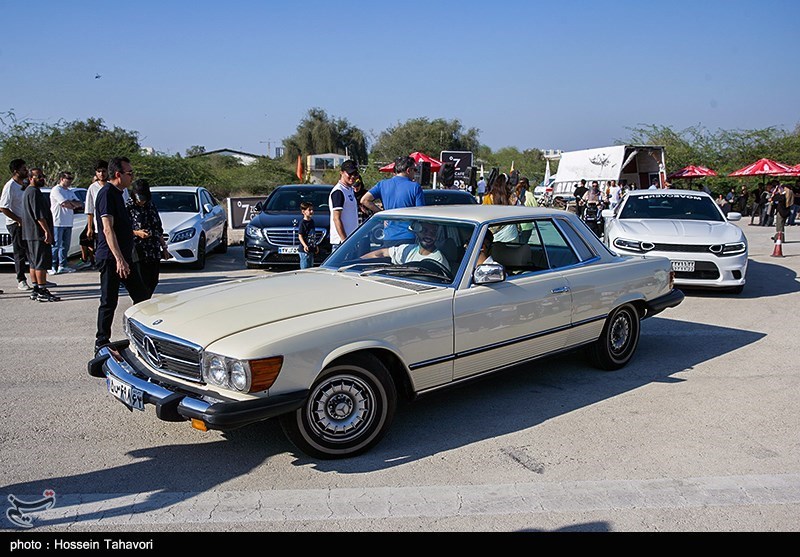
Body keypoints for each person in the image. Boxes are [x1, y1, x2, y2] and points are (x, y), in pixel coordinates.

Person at [94, 157, 149, 354]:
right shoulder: (107, 194)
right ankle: (101, 342)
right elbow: (107, 229)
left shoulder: (120, 193)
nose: (132, 177)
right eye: (129, 173)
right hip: (111, 258)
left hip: (124, 258)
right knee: (109, 301)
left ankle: (141, 335)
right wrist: (118, 259)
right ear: (118, 175)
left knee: (142, 296)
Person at [360, 155, 425, 245]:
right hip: (409, 236)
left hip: (389, 236)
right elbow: (421, 214)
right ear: (408, 170)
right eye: (415, 170)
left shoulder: (382, 184)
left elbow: (364, 200)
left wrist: (382, 214)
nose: (415, 173)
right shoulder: (415, 187)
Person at [127, 178, 171, 298]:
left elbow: (158, 228)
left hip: (153, 249)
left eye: (144, 198)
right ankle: (141, 306)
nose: (142, 201)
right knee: (141, 284)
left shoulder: (151, 205)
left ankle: (146, 302)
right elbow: (121, 229)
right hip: (137, 250)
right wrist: (137, 233)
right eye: (139, 198)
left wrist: (164, 247)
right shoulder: (128, 207)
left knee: (153, 281)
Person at [22, 167, 60, 302]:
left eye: (42, 176)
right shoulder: (33, 192)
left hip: (30, 234)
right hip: (37, 234)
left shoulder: (29, 191)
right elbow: (39, 215)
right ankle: (42, 290)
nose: (42, 178)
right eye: (39, 176)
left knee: (33, 262)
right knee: (40, 263)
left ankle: (36, 288)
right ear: (31, 178)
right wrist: (47, 232)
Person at [363, 220, 450, 272]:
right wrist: (357, 261)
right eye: (424, 230)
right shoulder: (408, 249)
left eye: (433, 233)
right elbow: (382, 253)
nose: (428, 235)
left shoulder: (438, 260)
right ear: (417, 232)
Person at [0, 159, 33, 290]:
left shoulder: (24, 184)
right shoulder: (10, 186)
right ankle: (21, 280)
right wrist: (19, 220)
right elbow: (3, 207)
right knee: (19, 251)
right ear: (16, 171)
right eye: (23, 169)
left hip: (28, 223)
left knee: (32, 252)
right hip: (15, 224)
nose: (26, 171)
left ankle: (38, 279)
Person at [49, 171, 83, 274]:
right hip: (58, 222)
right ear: (62, 179)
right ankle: (52, 266)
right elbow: (63, 203)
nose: (69, 181)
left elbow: (79, 203)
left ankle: (62, 265)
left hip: (68, 222)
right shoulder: (56, 190)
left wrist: (71, 204)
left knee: (65, 245)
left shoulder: (69, 191)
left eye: (71, 179)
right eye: (68, 178)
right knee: (56, 245)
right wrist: (71, 204)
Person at [328, 159, 360, 251]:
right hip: (341, 243)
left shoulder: (349, 190)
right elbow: (336, 218)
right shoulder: (338, 191)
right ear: (341, 173)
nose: (352, 177)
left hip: (351, 240)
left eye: (355, 174)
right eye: (349, 174)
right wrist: (344, 240)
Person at [482, 173, 519, 242]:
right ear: (507, 184)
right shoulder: (512, 197)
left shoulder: (488, 197)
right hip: (511, 234)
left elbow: (484, 214)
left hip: (494, 234)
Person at [297, 201, 318, 269]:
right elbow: (300, 236)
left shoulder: (312, 222)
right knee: (305, 266)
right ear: (303, 212)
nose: (311, 211)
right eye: (309, 210)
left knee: (311, 267)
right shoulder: (302, 223)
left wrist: (316, 245)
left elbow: (312, 235)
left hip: (311, 248)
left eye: (312, 209)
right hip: (304, 250)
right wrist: (305, 245)